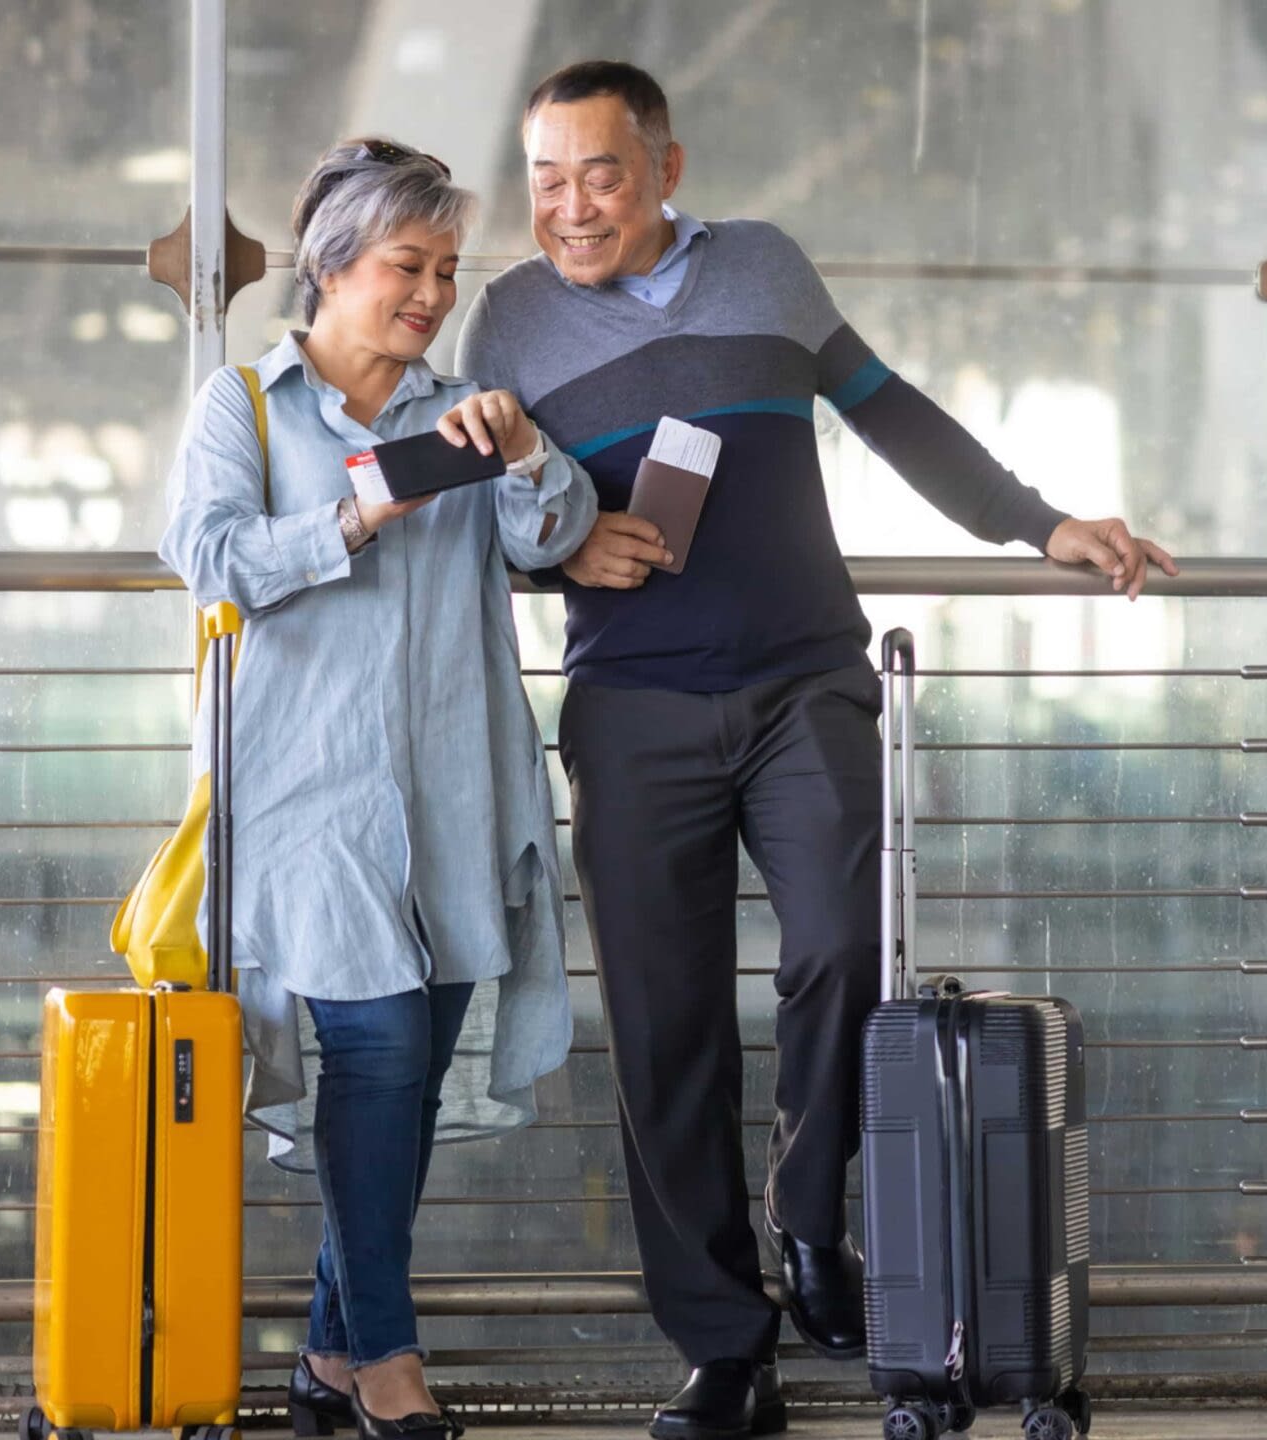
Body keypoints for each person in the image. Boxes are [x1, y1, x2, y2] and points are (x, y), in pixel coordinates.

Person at [455, 61, 1177, 1440]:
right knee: (666, 1034)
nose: (569, 206)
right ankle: (727, 1354)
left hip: (804, 684)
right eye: (546, 178)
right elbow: (477, 512)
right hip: (633, 706)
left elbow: (892, 411)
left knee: (846, 943)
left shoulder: (767, 270)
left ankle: (810, 1220)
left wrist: (1044, 525)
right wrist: (560, 556)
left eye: (599, 172)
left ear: (666, 169)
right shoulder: (508, 322)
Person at [160, 137, 592, 1440]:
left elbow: (555, 535)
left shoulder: (460, 412)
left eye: (448, 271)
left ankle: (330, 1359)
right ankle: (390, 1362)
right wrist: (358, 514)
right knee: (379, 1055)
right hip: (309, 799)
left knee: (400, 1090)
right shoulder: (241, 406)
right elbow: (212, 559)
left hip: (457, 794)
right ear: (333, 268)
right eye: (409, 266)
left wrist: (520, 452)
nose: (431, 294)